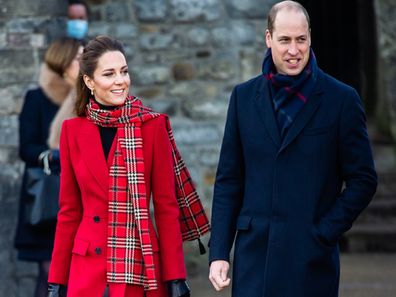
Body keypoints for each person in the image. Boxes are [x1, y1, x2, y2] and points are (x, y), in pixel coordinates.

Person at [208, 1, 377, 297]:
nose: (293, 50)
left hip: (310, 260)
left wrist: (324, 232)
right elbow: (228, 181)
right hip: (253, 261)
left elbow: (363, 180)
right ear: (268, 38)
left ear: (310, 37)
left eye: (301, 39)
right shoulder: (243, 98)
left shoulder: (342, 100)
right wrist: (220, 251)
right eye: (285, 40)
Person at [47, 35, 209, 297]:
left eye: (124, 71)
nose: (120, 81)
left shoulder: (152, 127)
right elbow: (69, 212)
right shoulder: (71, 131)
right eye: (109, 74)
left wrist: (176, 276)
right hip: (86, 271)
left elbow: (166, 208)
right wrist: (56, 280)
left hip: (140, 267)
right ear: (89, 81)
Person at [14, 37, 83, 297]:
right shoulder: (36, 98)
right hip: (48, 199)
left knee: (81, 275)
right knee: (50, 274)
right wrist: (56, 156)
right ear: (63, 62)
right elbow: (26, 148)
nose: (85, 63)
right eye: (79, 58)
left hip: (81, 198)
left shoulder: (89, 97)